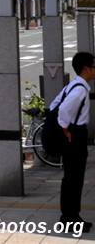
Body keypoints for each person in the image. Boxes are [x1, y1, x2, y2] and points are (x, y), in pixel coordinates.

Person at [55, 51, 95, 233]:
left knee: (72, 177)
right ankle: (70, 219)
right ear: (85, 69)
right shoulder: (79, 89)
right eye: (94, 66)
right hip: (75, 134)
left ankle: (71, 217)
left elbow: (56, 105)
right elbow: (63, 110)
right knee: (73, 178)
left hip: (74, 133)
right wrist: (65, 130)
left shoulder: (74, 86)